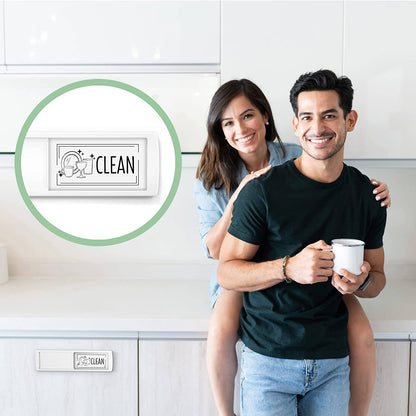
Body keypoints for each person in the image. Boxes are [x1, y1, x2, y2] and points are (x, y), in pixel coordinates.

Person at [195, 78, 390, 416]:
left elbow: (377, 278)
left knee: (362, 335)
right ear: (297, 124)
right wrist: (288, 267)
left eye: (329, 116)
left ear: (350, 120)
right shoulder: (237, 184)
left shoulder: (360, 191)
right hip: (269, 351)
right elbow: (221, 263)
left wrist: (364, 282)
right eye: (308, 118)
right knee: (222, 327)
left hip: (330, 357)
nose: (318, 128)